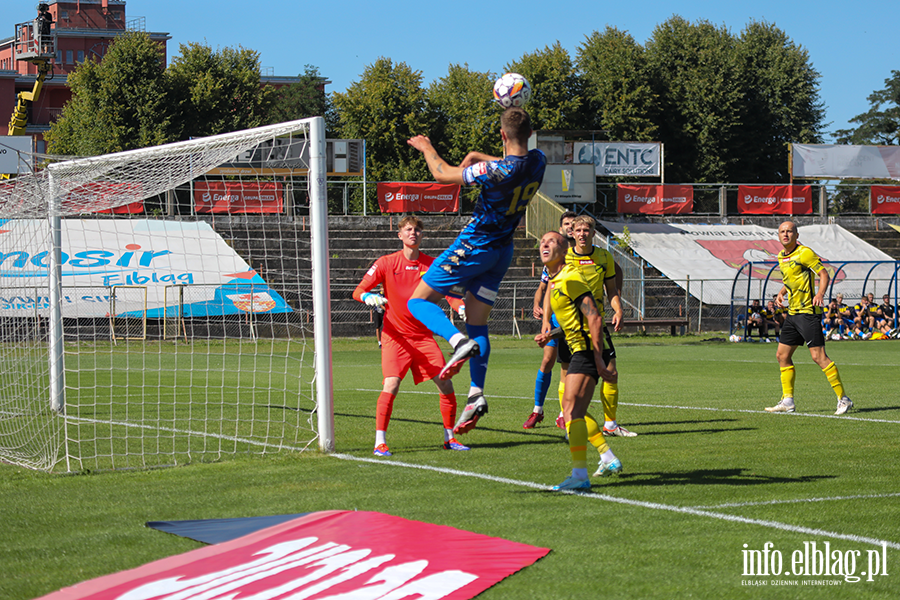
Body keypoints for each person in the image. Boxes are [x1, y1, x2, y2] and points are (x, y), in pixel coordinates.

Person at [406, 107, 547, 435]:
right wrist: (479, 156)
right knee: (478, 322)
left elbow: (442, 174)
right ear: (529, 133)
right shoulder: (539, 160)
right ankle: (476, 394)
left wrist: (427, 147)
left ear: (501, 135)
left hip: (476, 245)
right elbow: (513, 160)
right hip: (502, 251)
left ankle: (457, 342)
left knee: (419, 302)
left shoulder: (492, 171)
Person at [352, 216, 469, 456]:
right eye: (408, 229)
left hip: (423, 337)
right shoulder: (386, 263)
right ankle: (379, 442)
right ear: (400, 235)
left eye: (417, 229)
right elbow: (358, 291)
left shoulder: (433, 264)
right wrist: (368, 297)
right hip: (395, 337)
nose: (413, 233)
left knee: (445, 383)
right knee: (391, 384)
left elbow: (448, 293)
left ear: (422, 235)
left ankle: (450, 437)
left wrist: (460, 306)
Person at [534, 231, 621, 490]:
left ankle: (581, 475)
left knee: (571, 411)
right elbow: (577, 321)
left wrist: (597, 358)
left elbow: (593, 317)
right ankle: (601, 460)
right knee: (572, 411)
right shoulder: (554, 279)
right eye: (542, 242)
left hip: (587, 350)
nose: (544, 245)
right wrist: (551, 332)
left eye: (551, 242)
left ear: (563, 251)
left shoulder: (570, 277)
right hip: (579, 348)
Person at [556, 215, 635, 437]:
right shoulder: (563, 257)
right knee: (568, 375)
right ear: (572, 233)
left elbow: (611, 290)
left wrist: (618, 310)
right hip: (571, 327)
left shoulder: (603, 257)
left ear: (593, 233)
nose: (582, 234)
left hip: (597, 324)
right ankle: (567, 419)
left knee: (611, 371)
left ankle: (610, 424)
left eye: (586, 230)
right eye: (578, 230)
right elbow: (549, 286)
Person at [766, 221, 853, 415]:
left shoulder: (805, 252)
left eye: (789, 231)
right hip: (793, 314)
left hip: (808, 313)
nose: (785, 234)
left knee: (818, 357)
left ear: (796, 235)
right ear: (778, 236)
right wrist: (781, 293)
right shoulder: (781, 256)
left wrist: (820, 294)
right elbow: (791, 279)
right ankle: (788, 401)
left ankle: (843, 399)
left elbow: (824, 274)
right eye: (782, 231)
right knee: (782, 356)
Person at [523, 210, 576, 429]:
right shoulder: (552, 259)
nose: (571, 228)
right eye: (567, 224)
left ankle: (564, 414)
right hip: (554, 320)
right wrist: (540, 308)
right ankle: (538, 410)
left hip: (571, 321)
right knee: (547, 361)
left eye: (574, 224)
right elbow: (545, 288)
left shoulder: (577, 259)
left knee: (566, 366)